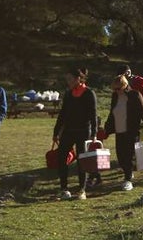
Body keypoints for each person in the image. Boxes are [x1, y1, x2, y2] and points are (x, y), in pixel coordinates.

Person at [52, 67, 98, 200]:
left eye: (70, 79)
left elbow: (93, 115)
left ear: (78, 79)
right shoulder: (68, 94)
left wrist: (94, 133)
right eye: (67, 79)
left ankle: (81, 190)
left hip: (83, 131)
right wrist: (56, 132)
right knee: (61, 157)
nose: (68, 82)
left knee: (82, 160)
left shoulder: (89, 93)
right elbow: (62, 114)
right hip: (68, 131)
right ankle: (64, 188)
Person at [102, 74, 143, 191]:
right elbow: (112, 113)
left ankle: (128, 180)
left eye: (118, 88)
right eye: (114, 89)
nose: (116, 91)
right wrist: (107, 127)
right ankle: (128, 172)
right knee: (120, 156)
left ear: (125, 85)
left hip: (131, 130)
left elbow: (142, 111)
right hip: (119, 129)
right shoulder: (115, 96)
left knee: (128, 155)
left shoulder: (134, 95)